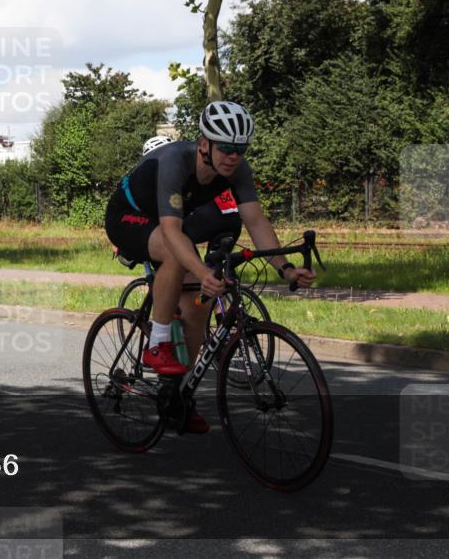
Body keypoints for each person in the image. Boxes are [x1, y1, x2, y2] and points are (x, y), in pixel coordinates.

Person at [105, 101, 315, 433]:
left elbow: (255, 220)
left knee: (198, 309)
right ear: (205, 144)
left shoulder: (239, 171)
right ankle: (156, 344)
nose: (234, 155)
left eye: (241, 148)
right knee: (177, 253)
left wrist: (285, 267)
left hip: (166, 222)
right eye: (227, 147)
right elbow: (173, 233)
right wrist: (202, 272)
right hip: (128, 218)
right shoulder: (175, 162)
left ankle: (177, 396)